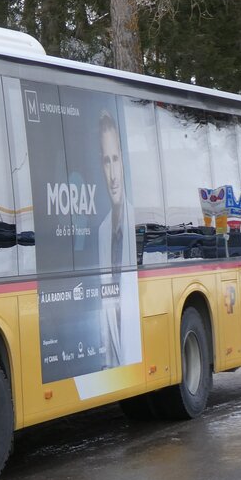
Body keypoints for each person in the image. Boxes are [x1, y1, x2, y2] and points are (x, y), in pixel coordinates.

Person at [96, 109, 140, 368]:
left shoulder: (139, 223)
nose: (113, 175)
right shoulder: (103, 233)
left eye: (115, 159)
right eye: (105, 161)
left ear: (123, 161)